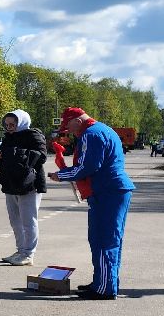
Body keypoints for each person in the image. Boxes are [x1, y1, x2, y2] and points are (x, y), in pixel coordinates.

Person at [50, 108, 135, 300]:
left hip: (107, 191)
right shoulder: (101, 130)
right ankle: (101, 282)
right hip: (110, 191)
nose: (69, 131)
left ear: (77, 121)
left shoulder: (91, 134)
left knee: (105, 240)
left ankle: (104, 288)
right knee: (101, 239)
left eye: (68, 126)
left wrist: (61, 175)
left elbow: (88, 167)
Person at [0, 109, 48, 265]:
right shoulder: (8, 138)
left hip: (29, 183)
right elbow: (5, 162)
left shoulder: (33, 134)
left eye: (13, 124)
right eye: (7, 124)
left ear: (22, 122)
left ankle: (28, 254)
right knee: (15, 220)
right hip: (11, 183)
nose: (9, 127)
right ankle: (20, 250)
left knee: (28, 220)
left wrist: (15, 153)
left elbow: (42, 155)